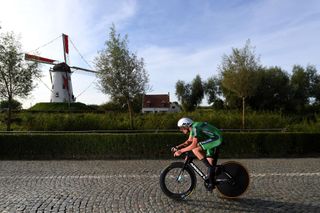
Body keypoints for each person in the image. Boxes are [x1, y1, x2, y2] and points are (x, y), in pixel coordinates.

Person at [172, 117, 222, 191]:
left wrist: (180, 151)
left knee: (195, 149)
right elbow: (189, 141)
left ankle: (212, 169)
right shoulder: (193, 128)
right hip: (214, 138)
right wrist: (178, 147)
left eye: (181, 128)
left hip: (216, 138)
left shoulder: (195, 127)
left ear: (186, 125)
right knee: (210, 164)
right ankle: (212, 181)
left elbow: (194, 145)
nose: (181, 130)